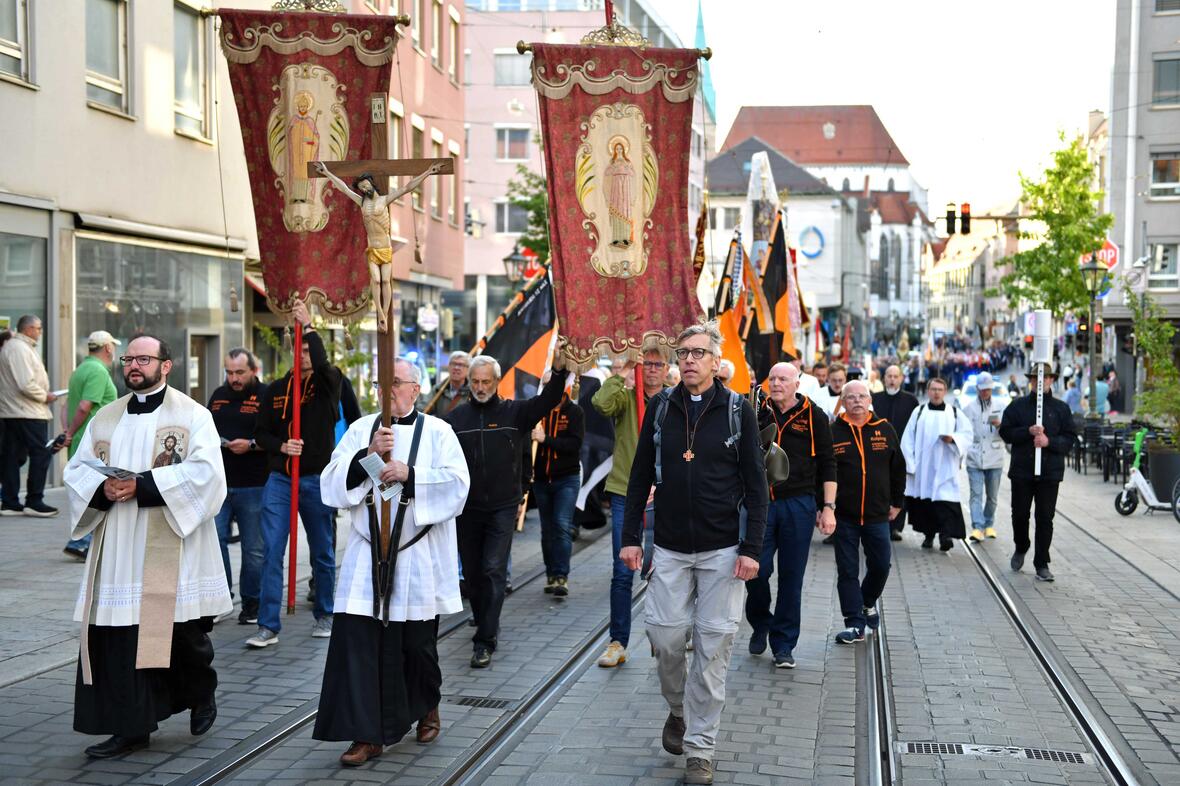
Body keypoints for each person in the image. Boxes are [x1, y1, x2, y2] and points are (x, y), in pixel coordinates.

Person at [64, 334, 229, 758]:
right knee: (120, 637)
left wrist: (143, 485)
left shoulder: (192, 416)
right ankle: (131, 727)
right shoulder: (106, 417)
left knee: (180, 633)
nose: (134, 365)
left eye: (144, 359)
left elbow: (209, 475)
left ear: (166, 365)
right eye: (129, 358)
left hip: (170, 538)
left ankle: (201, 691)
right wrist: (103, 489)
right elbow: (77, 469)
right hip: (118, 542)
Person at [621, 321, 767, 786]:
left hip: (724, 551)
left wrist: (752, 548)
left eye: (698, 353)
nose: (688, 360)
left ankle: (700, 749)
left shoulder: (736, 411)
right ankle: (679, 710)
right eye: (682, 353)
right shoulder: (661, 408)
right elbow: (640, 473)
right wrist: (629, 537)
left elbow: (758, 488)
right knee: (664, 637)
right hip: (669, 546)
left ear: (714, 360)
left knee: (713, 647)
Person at [314, 358, 470, 765]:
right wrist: (367, 456)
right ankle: (367, 734)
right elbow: (330, 483)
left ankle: (426, 703)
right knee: (361, 643)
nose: (388, 391)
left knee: (416, 646)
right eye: (382, 384)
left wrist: (410, 473)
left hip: (416, 552)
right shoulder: (359, 429)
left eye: (396, 383)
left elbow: (458, 485)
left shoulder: (439, 432)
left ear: (415, 390)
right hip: (367, 552)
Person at [443, 353, 566, 668]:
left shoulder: (515, 412)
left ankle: (485, 640)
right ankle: (486, 618)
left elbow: (550, 398)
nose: (481, 387)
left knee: (493, 569)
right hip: (467, 509)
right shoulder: (455, 420)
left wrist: (559, 368)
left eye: (486, 381)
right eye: (475, 381)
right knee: (472, 576)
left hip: (502, 506)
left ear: (497, 382)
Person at [248, 299, 343, 648]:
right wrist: (281, 445)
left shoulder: (328, 384)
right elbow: (261, 433)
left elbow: (324, 365)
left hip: (316, 479)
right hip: (280, 479)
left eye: (308, 350)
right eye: (298, 350)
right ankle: (268, 625)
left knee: (322, 550)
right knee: (271, 549)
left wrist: (311, 326)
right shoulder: (274, 390)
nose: (303, 356)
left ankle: (325, 613)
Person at [746, 362, 836, 669]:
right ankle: (760, 622)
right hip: (762, 504)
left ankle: (784, 644)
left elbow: (828, 463)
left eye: (783, 379)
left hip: (799, 504)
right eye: (772, 378)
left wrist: (828, 507)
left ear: (797, 383)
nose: (776, 383)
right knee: (755, 571)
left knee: (791, 578)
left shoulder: (815, 416)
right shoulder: (756, 411)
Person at [591, 344, 669, 668]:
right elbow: (600, 403)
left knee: (666, 570)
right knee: (622, 572)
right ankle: (618, 642)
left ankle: (666, 637)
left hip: (665, 493)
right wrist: (623, 372)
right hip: (626, 491)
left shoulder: (673, 400)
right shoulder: (626, 396)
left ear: (666, 369)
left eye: (657, 364)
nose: (651, 369)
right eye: (646, 363)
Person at [830, 380, 905, 644]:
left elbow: (898, 468)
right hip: (845, 516)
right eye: (851, 397)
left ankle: (867, 601)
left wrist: (897, 502)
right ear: (843, 401)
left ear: (870, 400)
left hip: (877, 515)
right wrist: (824, 508)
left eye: (862, 396)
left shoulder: (884, 429)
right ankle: (854, 623)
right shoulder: (833, 431)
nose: (857, 401)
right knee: (847, 570)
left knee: (881, 565)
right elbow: (824, 473)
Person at [208, 348, 269, 625]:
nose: (234, 378)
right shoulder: (218, 396)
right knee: (215, 542)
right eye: (229, 372)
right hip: (221, 483)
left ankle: (252, 603)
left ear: (253, 370)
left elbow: (278, 436)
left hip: (254, 484)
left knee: (253, 549)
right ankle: (222, 599)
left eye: (239, 373)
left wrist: (252, 445)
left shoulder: (266, 396)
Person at [999, 363, 1076, 582]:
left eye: (1045, 378)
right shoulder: (1017, 406)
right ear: (1030, 381)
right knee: (1020, 514)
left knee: (1045, 518)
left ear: (1052, 380)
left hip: (1049, 473)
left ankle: (1042, 563)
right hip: (1022, 471)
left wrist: (1049, 441)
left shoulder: (1061, 408)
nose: (1040, 382)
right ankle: (1021, 545)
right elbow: (1005, 432)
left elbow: (1070, 438)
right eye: (1035, 378)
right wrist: (1027, 432)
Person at [61, 331, 121, 561]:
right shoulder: (97, 371)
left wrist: (67, 432)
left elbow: (67, 406)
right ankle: (81, 541)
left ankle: (84, 541)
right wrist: (71, 432)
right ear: (107, 348)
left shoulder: (79, 370)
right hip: (95, 444)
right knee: (98, 492)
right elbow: (85, 406)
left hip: (80, 441)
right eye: (112, 347)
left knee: (88, 491)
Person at [900, 378, 972, 552]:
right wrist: (910, 463)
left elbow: (968, 434)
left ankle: (945, 536)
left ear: (945, 391)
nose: (936, 393)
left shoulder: (954, 413)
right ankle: (929, 535)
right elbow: (908, 438)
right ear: (928, 391)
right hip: (923, 468)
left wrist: (953, 439)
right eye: (933, 389)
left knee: (945, 502)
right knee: (926, 504)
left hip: (946, 466)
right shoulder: (919, 411)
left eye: (940, 389)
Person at [0, 314, 59, 517]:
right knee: (40, 454)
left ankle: (10, 502)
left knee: (12, 456)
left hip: (16, 411)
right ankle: (34, 500)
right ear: (28, 329)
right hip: (27, 411)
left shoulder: (19, 347)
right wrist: (45, 396)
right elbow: (25, 383)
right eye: (38, 328)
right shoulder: (18, 348)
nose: (40, 332)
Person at [531, 386, 584, 596]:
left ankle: (562, 575)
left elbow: (575, 444)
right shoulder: (537, 410)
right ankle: (551, 573)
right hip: (542, 480)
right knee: (547, 530)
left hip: (566, 479)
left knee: (562, 525)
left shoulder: (575, 412)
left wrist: (546, 440)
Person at [871, 365, 919, 542]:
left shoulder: (911, 401)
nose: (892, 379)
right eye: (889, 376)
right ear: (884, 378)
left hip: (902, 451)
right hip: (877, 448)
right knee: (879, 487)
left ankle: (897, 527)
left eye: (895, 376)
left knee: (900, 487)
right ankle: (879, 522)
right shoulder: (874, 399)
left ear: (901, 378)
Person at [963, 371, 1005, 543]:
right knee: (975, 495)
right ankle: (977, 527)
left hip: (995, 457)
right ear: (977, 389)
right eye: (982, 389)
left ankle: (989, 524)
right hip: (975, 457)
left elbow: (1008, 432)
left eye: (988, 389)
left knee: (993, 496)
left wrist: (1000, 425)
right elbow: (964, 433)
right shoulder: (968, 408)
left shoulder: (1001, 406)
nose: (985, 392)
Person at [436, 351, 471, 416]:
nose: (456, 368)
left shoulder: (473, 392)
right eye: (453, 364)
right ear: (448, 366)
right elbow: (423, 408)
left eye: (461, 365)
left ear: (468, 369)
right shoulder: (437, 389)